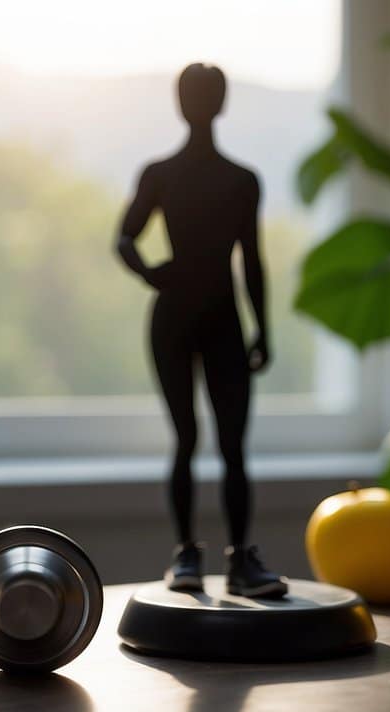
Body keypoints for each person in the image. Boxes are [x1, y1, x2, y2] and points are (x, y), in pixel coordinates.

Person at [115, 63, 286, 598]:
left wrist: (152, 271)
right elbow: (126, 238)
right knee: (197, 440)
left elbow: (251, 261)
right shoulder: (204, 177)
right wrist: (261, 329)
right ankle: (192, 554)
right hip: (198, 318)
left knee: (222, 445)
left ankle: (230, 558)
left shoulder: (217, 178)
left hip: (203, 317)